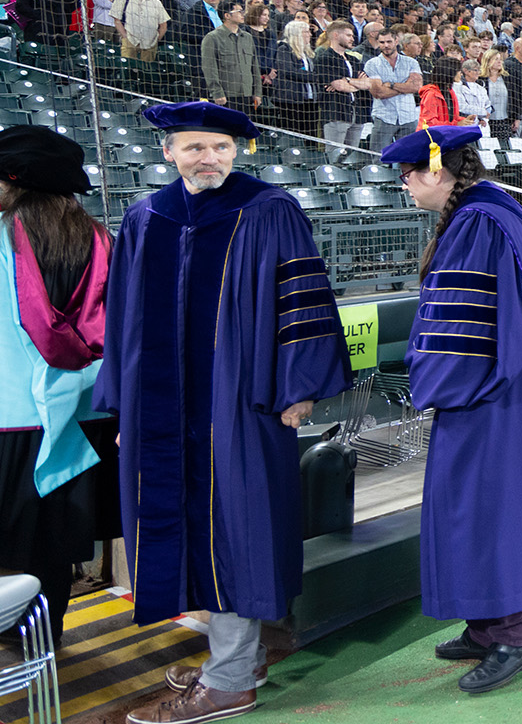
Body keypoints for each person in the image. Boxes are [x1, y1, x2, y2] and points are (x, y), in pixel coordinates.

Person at [98, 103, 350, 724]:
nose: (208, 158)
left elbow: (304, 301)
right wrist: (127, 407)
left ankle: (230, 680)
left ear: (239, 150)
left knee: (235, 529)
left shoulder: (268, 210)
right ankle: (236, 653)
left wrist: (301, 387)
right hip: (162, 411)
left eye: (219, 147)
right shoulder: (144, 218)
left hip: (241, 405)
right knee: (187, 529)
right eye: (194, 148)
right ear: (168, 153)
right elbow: (124, 324)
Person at [385, 126, 522, 692]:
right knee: (475, 509)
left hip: (490, 399)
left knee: (491, 511)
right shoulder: (491, 210)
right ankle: (486, 625)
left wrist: (433, 382)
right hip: (509, 393)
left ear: (435, 170)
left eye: (407, 176)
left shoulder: (476, 222)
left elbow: (461, 328)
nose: (405, 187)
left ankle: (517, 636)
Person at [0, 128, 114, 643]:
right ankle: (42, 645)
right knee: (51, 547)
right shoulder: (100, 237)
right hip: (83, 417)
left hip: (10, 418)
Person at [315, 21, 372, 163]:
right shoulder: (325, 58)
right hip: (337, 113)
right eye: (348, 35)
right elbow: (339, 85)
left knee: (351, 157)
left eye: (352, 35)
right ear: (335, 35)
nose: (352, 38)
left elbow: (367, 83)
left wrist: (347, 80)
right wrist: (355, 83)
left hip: (357, 113)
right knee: (334, 156)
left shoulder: (354, 59)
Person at [364, 29, 422, 153]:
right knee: (379, 158)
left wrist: (390, 84)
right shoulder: (372, 64)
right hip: (384, 117)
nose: (386, 45)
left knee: (409, 157)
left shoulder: (411, 62)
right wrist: (404, 87)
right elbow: (378, 93)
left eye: (389, 41)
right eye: (382, 42)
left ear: (396, 41)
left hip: (408, 117)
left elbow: (416, 87)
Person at [199, 0, 261, 110]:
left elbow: (254, 67)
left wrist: (257, 93)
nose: (243, 14)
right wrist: (217, 92)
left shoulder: (247, 37)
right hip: (226, 96)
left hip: (247, 95)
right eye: (239, 12)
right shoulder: (212, 38)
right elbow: (209, 68)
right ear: (227, 16)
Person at [273, 20, 323, 136]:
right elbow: (289, 72)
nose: (310, 35)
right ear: (297, 34)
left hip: (311, 100)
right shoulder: (284, 49)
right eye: (306, 32)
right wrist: (315, 77)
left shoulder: (308, 53)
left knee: (311, 134)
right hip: (292, 101)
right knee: (293, 134)